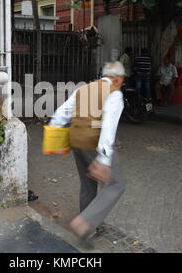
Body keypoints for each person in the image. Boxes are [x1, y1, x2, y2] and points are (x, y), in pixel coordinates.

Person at [49, 61, 126, 241]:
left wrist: (54, 141)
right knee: (116, 184)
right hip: (94, 143)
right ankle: (85, 221)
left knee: (87, 183)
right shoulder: (114, 94)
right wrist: (104, 160)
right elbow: (108, 128)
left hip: (76, 141)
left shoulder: (84, 89)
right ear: (118, 78)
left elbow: (61, 113)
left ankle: (89, 229)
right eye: (122, 78)